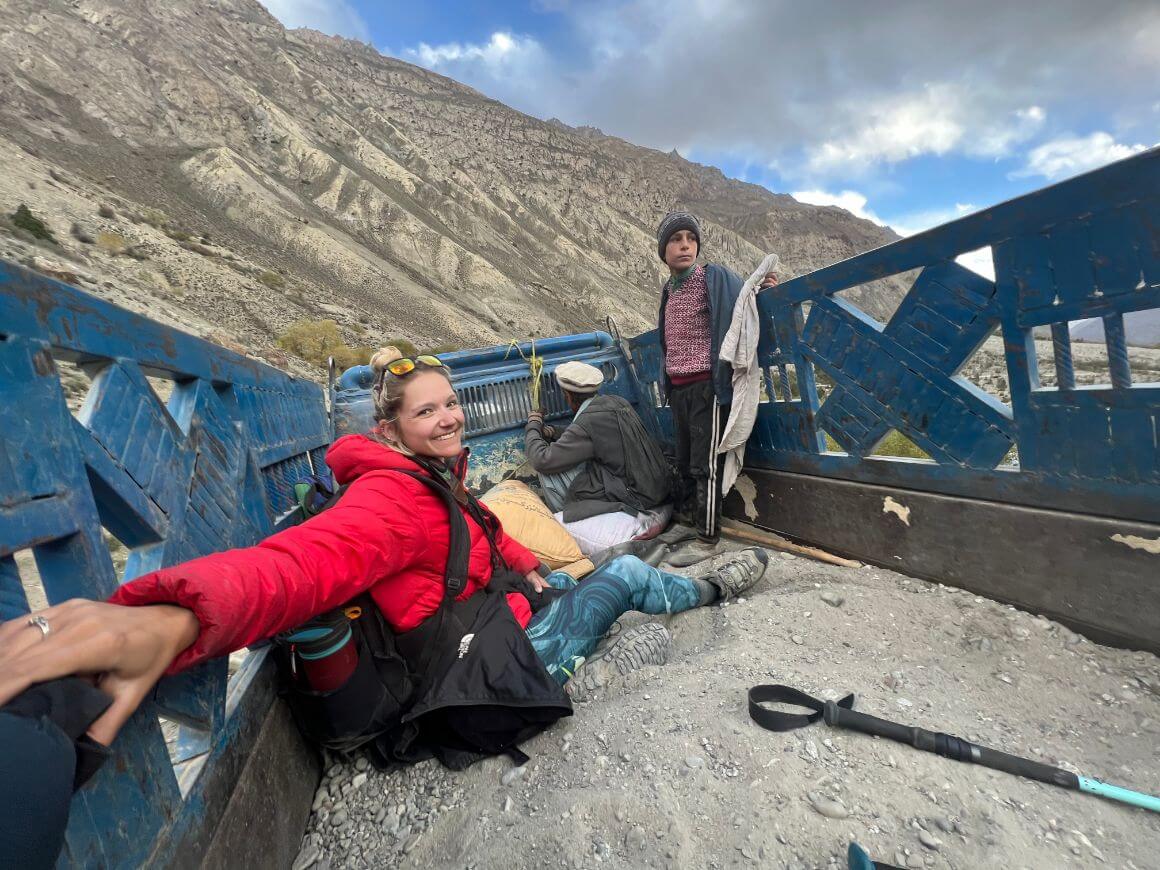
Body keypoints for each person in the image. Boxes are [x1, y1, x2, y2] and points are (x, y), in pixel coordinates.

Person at [0, 347, 771, 780]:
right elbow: (299, 566)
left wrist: (528, 568)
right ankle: (705, 587)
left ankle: (617, 585)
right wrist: (173, 618)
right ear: (394, 429)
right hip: (471, 682)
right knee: (627, 576)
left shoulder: (433, 479)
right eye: (427, 410)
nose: (448, 417)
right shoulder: (389, 500)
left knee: (570, 576)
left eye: (451, 403)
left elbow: (481, 531)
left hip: (490, 629)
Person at [655, 212, 777, 561]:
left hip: (706, 387)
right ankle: (688, 519)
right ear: (664, 251)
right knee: (683, 458)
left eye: (690, 239)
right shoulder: (669, 290)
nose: (685, 246)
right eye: (677, 240)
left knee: (705, 463)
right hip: (677, 388)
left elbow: (742, 303)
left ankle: (708, 537)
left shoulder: (713, 277)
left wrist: (764, 290)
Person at [525, 360, 671, 522]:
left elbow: (542, 460)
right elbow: (589, 435)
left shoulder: (588, 422)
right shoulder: (617, 401)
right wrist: (553, 432)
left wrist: (533, 425)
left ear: (567, 396)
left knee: (548, 473)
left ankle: (570, 524)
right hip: (656, 488)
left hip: (636, 497)